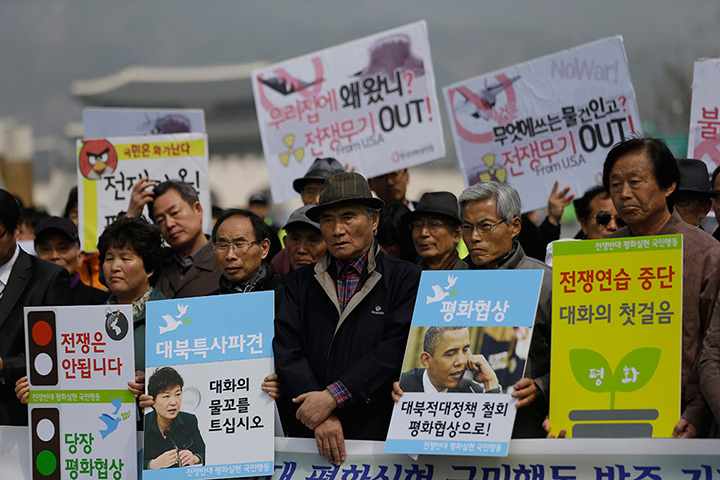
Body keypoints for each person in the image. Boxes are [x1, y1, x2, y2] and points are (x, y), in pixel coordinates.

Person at [274, 172, 421, 465]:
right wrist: (319, 411)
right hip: (309, 437)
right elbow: (286, 349)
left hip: (379, 437)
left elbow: (395, 349)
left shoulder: (407, 279)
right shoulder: (297, 283)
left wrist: (332, 398)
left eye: (348, 217)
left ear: (374, 221)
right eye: (328, 220)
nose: (337, 229)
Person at [604, 137, 720, 437]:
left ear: (669, 186)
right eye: (615, 185)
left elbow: (713, 348)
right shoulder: (602, 254)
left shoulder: (706, 253)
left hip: (683, 418)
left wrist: (697, 412)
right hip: (609, 407)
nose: (624, 193)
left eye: (635, 181)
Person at [458, 181, 552, 438]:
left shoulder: (546, 283)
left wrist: (542, 386)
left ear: (515, 227)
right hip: (460, 425)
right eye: (467, 227)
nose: (474, 237)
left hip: (523, 424)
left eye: (485, 226)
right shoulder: (448, 283)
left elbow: (574, 358)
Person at [0, 189, 70, 425]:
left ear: (16, 230)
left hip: (19, 418)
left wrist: (5, 366)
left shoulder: (48, 278)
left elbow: (60, 351)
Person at [127, 179, 222, 298]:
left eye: (175, 213)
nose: (169, 224)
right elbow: (113, 276)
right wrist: (130, 218)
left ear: (198, 210)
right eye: (160, 220)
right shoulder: (155, 264)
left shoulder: (224, 258)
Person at [399, 327, 500, 393]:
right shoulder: (401, 386)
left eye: (465, 351)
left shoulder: (472, 392)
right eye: (451, 354)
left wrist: (490, 381)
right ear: (426, 360)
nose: (461, 361)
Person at [34, 217, 108, 305]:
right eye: (45, 249)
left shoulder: (100, 301)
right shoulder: (28, 301)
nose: (54, 256)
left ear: (80, 257)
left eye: (62, 248)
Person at [144, 366, 205, 469]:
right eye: (166, 396)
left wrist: (195, 459)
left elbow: (205, 453)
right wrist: (152, 464)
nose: (174, 402)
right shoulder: (142, 426)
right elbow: (130, 463)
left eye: (177, 394)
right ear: (152, 401)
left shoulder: (189, 421)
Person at [212, 209, 276, 293]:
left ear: (264, 248)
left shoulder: (286, 296)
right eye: (222, 245)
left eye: (239, 244)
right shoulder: (209, 303)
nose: (230, 255)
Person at [402, 191, 467, 270]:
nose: (423, 233)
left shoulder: (471, 277)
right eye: (417, 225)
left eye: (434, 224)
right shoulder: (405, 278)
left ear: (457, 234)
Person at [271, 205, 326, 278]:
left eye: (312, 240)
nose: (301, 250)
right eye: (295, 239)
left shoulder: (340, 286)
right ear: (285, 243)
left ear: (328, 244)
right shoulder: (278, 286)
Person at [674, 159, 717, 227]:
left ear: (704, 208)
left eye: (682, 200)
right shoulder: (653, 236)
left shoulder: (704, 238)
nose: (671, 210)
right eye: (667, 201)